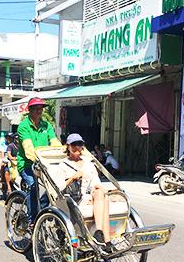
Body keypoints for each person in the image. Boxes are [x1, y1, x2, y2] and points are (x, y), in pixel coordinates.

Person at [56, 133, 114, 254]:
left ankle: (99, 232)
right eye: (74, 144)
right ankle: (107, 241)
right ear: (68, 146)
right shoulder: (63, 165)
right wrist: (72, 178)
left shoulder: (89, 164)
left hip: (88, 196)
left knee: (100, 194)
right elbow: (59, 187)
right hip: (73, 199)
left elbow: (96, 181)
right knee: (105, 203)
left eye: (80, 144)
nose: (77, 147)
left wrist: (98, 187)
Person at [17, 97, 62, 225]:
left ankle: (41, 207)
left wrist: (63, 153)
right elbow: (28, 147)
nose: (39, 110)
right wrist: (36, 157)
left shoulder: (46, 125)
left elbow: (54, 142)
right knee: (33, 185)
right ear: (29, 109)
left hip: (44, 164)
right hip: (27, 164)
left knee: (55, 186)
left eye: (41, 108)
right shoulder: (23, 126)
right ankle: (32, 220)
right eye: (36, 108)